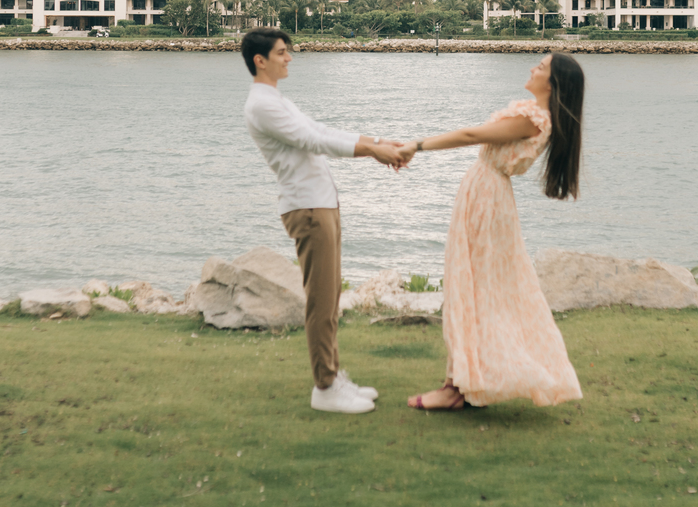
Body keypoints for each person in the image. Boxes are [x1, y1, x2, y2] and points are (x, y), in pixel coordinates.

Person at [397, 51, 584, 411]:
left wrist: (417, 145)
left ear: (554, 83)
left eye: (542, 67)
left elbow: (471, 135)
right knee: (474, 286)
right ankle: (465, 381)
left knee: (472, 286)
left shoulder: (534, 118)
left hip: (487, 199)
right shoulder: (536, 116)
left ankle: (459, 387)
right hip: (486, 195)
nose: (533, 67)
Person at [241, 27, 404, 415]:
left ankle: (331, 375)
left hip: (320, 204)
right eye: (282, 52)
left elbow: (321, 130)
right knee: (321, 300)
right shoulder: (261, 105)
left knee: (330, 297)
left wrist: (379, 141)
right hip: (308, 209)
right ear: (260, 60)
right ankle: (325, 386)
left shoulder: (276, 100)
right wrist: (373, 152)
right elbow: (313, 141)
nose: (290, 57)